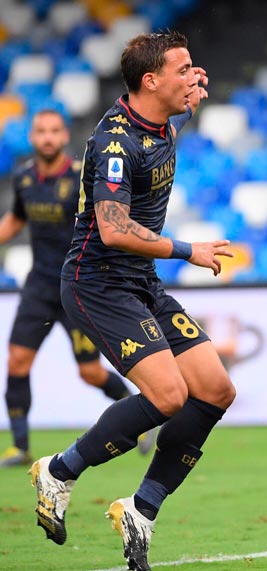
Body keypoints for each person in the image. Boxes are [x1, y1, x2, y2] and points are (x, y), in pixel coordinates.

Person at [29, 31, 236, 571]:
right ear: (151, 81)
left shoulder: (164, 118)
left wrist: (192, 95)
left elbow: (181, 112)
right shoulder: (116, 143)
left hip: (140, 279)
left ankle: (140, 511)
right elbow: (114, 228)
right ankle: (60, 469)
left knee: (215, 389)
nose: (196, 75)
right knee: (168, 396)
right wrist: (187, 249)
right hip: (96, 282)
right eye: (185, 68)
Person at [0, 109, 153, 469]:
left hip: (78, 287)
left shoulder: (82, 177)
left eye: (54, 130)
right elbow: (15, 221)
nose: (48, 137)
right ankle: (20, 446)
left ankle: (143, 416)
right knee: (17, 361)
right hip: (38, 287)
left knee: (90, 373)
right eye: (41, 131)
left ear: (65, 136)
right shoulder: (23, 179)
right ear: (33, 137)